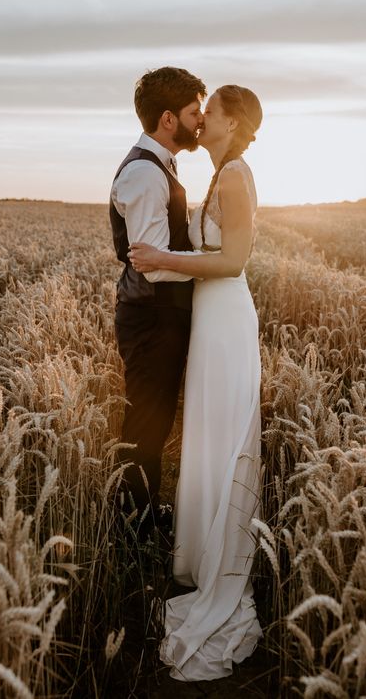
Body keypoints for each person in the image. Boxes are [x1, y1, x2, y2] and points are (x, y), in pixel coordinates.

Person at [129, 85, 264, 681]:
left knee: (225, 430)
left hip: (227, 314)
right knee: (206, 433)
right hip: (208, 317)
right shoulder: (216, 174)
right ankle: (201, 556)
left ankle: (222, 569)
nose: (201, 118)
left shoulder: (235, 175)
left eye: (212, 113)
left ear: (232, 124)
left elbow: (234, 261)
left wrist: (166, 262)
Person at [109, 67, 206, 525]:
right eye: (193, 112)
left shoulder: (160, 163)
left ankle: (142, 511)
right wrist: (212, 263)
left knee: (156, 419)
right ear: (169, 118)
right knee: (146, 425)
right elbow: (153, 262)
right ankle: (132, 525)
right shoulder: (146, 173)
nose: (200, 120)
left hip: (158, 314)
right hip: (151, 316)